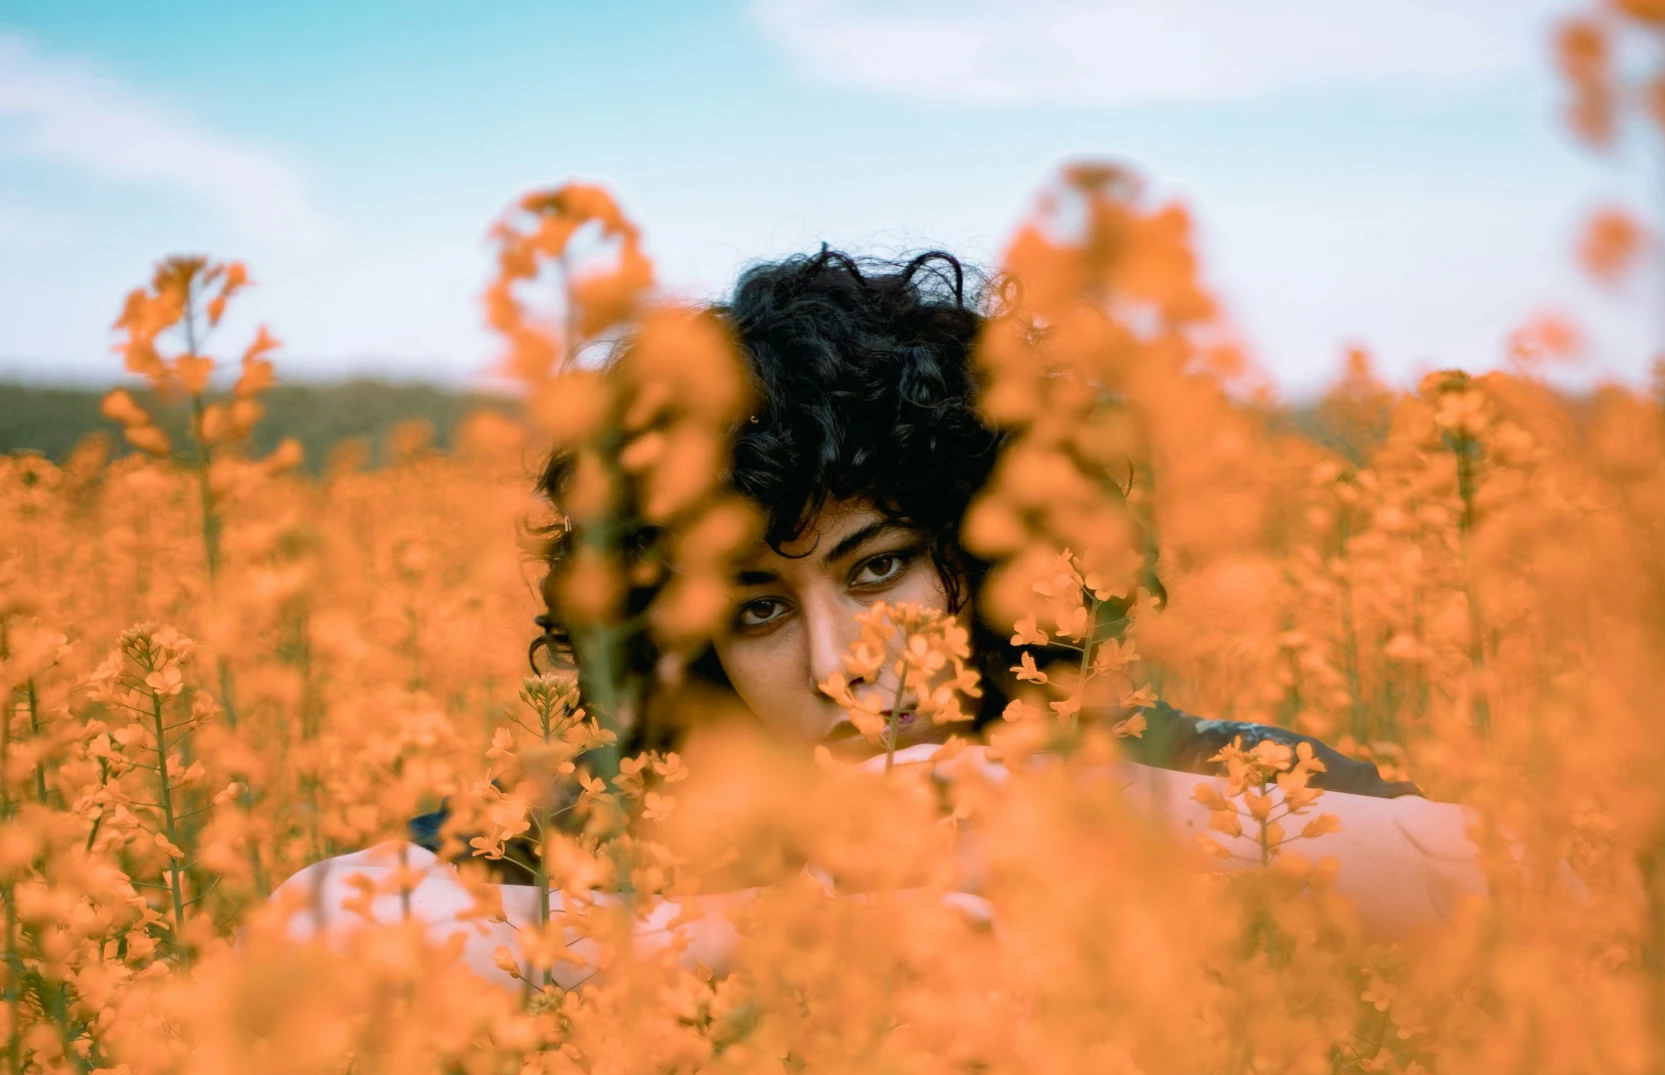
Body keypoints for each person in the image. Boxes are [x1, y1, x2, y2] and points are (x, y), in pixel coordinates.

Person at [273, 249, 1484, 979]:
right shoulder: (638, 827)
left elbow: (1560, 890)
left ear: (984, 549)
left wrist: (1090, 817)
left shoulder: (1151, 769)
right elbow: (308, 922)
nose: (843, 665)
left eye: (874, 568)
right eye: (755, 611)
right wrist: (761, 940)